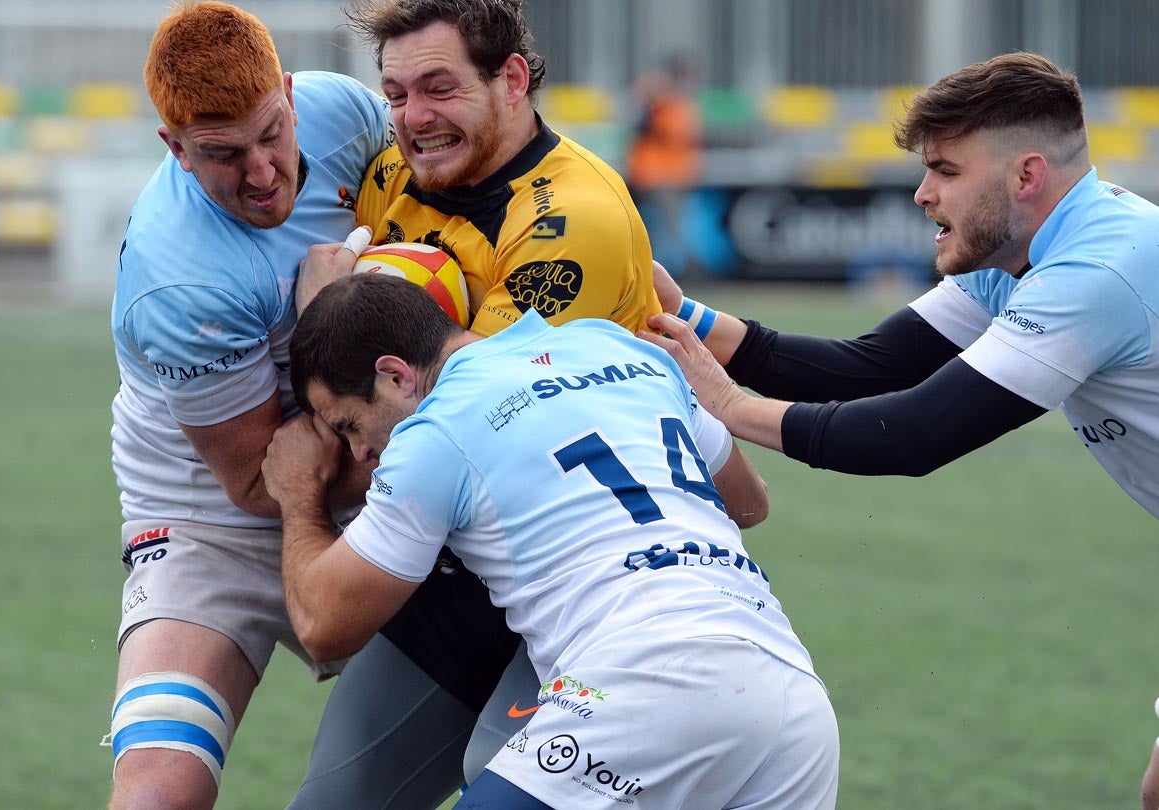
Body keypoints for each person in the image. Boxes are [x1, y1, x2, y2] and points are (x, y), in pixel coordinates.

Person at [638, 51, 1159, 803]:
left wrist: (728, 407)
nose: (921, 193)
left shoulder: (1095, 271)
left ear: (1025, 176)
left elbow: (912, 434)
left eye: (944, 169)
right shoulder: (1016, 249)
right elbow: (871, 367)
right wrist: (682, 317)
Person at [261, 271, 839, 809]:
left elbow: (323, 626)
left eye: (348, 425)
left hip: (649, 680)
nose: (359, 453)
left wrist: (299, 492)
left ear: (394, 376)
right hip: (793, 696)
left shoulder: (434, 433)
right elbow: (748, 502)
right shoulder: (616, 347)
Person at [286, 1, 663, 805]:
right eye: (395, 95)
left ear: (512, 79)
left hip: (574, 573)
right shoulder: (393, 172)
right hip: (454, 568)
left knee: (498, 778)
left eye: (437, 88)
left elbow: (444, 425)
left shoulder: (570, 221)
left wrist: (325, 313)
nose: (413, 119)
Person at [104, 3, 396, 808]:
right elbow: (262, 483)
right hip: (212, 515)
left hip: (378, 456)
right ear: (176, 149)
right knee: (159, 791)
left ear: (292, 95)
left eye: (272, 133)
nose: (262, 172)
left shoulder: (346, 112)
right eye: (222, 155)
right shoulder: (179, 281)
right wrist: (328, 330)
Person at [625, 54, 705, 278]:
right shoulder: (663, 98)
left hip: (667, 175)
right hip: (659, 175)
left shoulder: (673, 101)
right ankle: (665, 273)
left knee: (666, 228)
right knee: (666, 229)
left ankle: (665, 273)